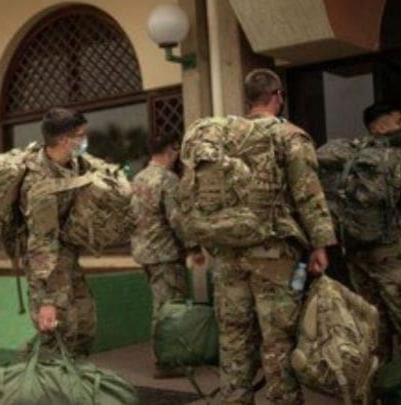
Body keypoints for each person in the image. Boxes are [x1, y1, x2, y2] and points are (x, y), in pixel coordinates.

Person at [184, 68, 336, 404]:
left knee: (234, 338)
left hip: (227, 254)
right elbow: (308, 194)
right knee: (278, 339)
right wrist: (320, 245)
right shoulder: (290, 136)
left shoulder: (222, 137)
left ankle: (235, 398)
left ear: (248, 99)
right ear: (278, 96)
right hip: (274, 256)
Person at [20, 107, 97, 357]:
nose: (85, 140)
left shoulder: (75, 164)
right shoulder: (39, 183)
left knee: (84, 325)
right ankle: (42, 376)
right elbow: (41, 243)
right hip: (47, 266)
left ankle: (72, 376)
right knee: (58, 331)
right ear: (65, 140)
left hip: (67, 258)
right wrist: (47, 301)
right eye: (81, 135)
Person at [343, 102, 401, 361]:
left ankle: (380, 379)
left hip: (356, 252)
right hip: (391, 253)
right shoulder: (395, 157)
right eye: (398, 121)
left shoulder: (351, 157)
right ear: (379, 126)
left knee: (374, 326)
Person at [130, 132, 188, 378]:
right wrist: (194, 246)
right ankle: (166, 361)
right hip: (165, 253)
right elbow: (177, 220)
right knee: (168, 308)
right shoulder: (168, 179)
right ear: (171, 150)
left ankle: (165, 357)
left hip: (144, 252)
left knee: (160, 305)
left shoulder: (138, 178)